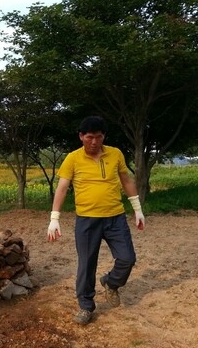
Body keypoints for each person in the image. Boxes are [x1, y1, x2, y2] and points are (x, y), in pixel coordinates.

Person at [47, 116, 145, 325]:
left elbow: (126, 181)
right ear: (81, 136)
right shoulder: (72, 159)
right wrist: (54, 218)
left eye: (98, 137)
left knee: (127, 258)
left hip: (115, 218)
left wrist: (137, 209)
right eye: (89, 137)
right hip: (87, 221)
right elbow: (63, 188)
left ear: (104, 137)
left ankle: (111, 282)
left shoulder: (115, 154)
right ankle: (85, 306)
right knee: (87, 264)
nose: (94, 142)